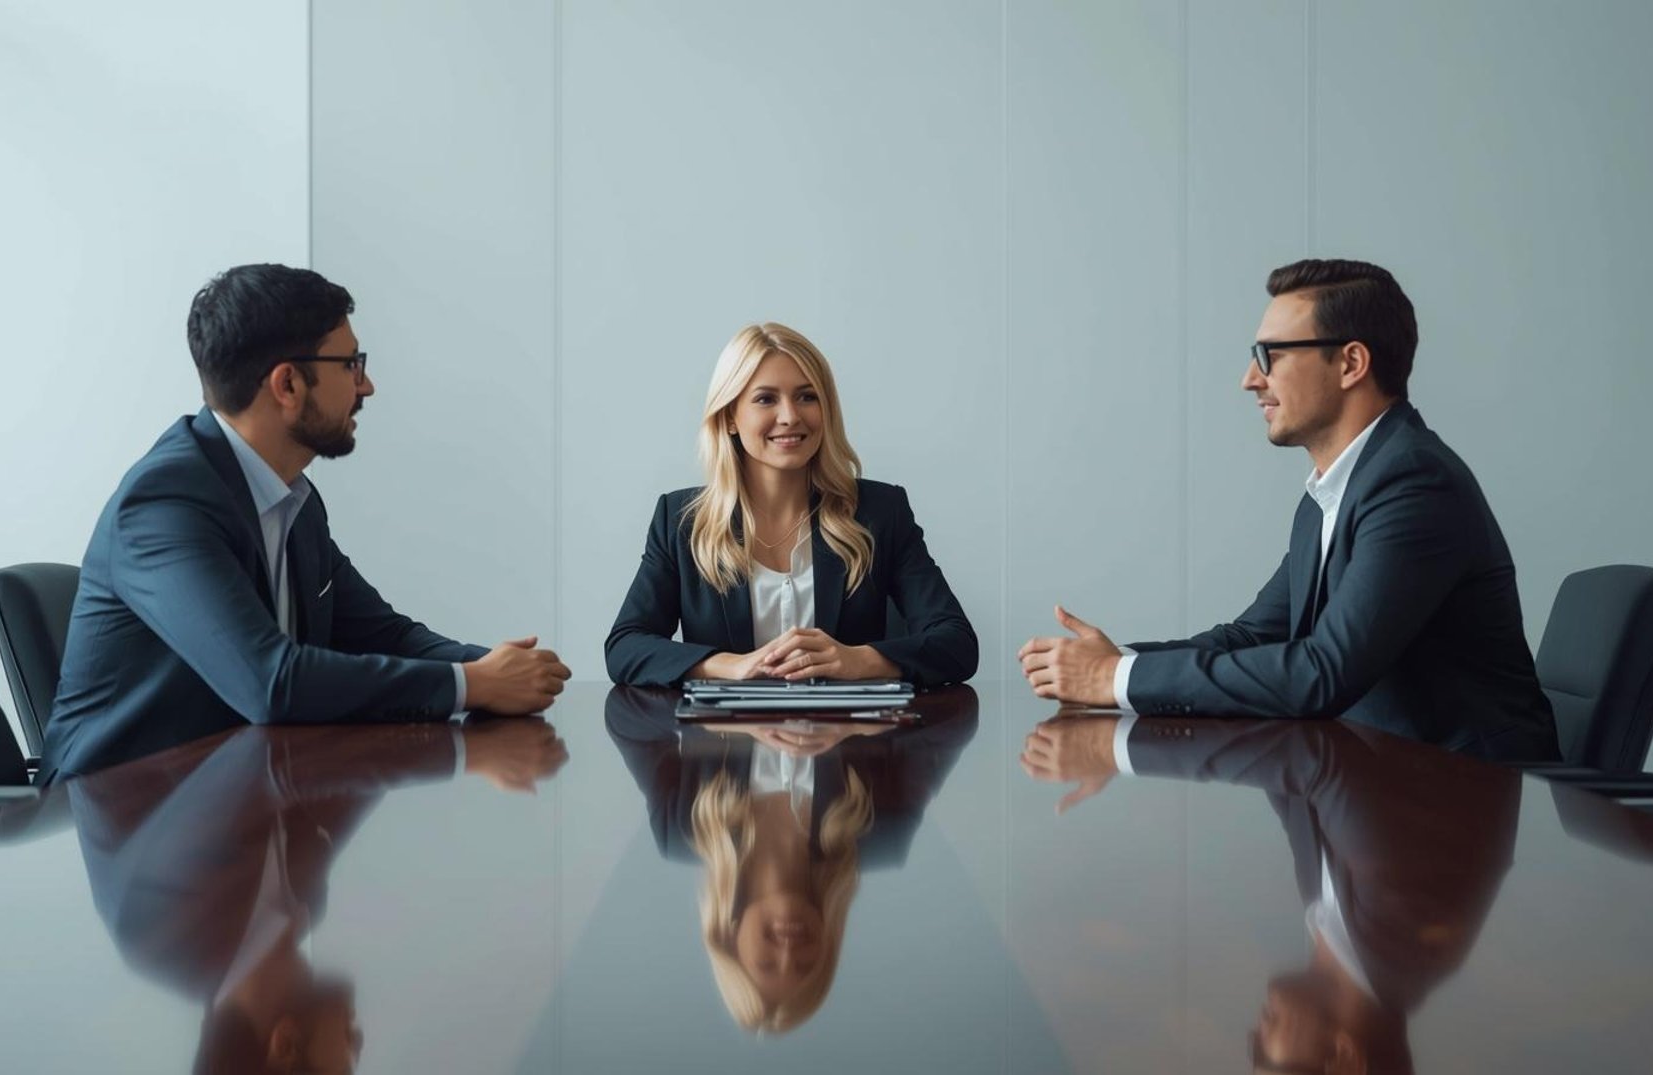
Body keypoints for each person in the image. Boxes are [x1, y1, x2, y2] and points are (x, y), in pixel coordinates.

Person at [42, 264, 569, 780]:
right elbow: (270, 681)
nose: (367, 388)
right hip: (119, 817)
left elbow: (380, 634)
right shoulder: (164, 505)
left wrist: (499, 669)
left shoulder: (294, 497)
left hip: (233, 797)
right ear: (288, 384)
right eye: (351, 365)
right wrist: (471, 684)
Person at [1018, 259, 1556, 762]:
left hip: (1460, 802)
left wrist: (1113, 680)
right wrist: (1120, 663)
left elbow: (1322, 671)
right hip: (1376, 785)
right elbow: (1254, 636)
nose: (1250, 379)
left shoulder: (1414, 483)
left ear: (1350, 363)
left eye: (1269, 356)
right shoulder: (1331, 492)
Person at [1020, 711, 1520, 1075]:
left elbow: (1290, 755)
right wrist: (1116, 749)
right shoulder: (1402, 930)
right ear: (1343, 1060)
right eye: (1265, 1057)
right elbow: (1311, 759)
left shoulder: (1340, 938)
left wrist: (1119, 726)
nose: (1251, 1038)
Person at [70, 718, 566, 1073]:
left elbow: (258, 751)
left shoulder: (168, 923)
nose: (359, 1038)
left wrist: (461, 732)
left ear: (285, 1045)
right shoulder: (298, 909)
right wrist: (464, 749)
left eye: (347, 1057)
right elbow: (357, 776)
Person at [605, 322, 978, 688]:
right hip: (724, 747)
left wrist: (856, 660)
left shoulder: (880, 512)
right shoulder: (681, 521)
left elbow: (957, 644)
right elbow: (625, 647)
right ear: (730, 417)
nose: (790, 416)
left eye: (807, 396)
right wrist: (730, 666)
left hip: (850, 744)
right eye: (766, 399)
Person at [606, 683, 978, 1033]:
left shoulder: (681, 831)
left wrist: (705, 713)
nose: (788, 953)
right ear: (827, 953)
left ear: (731, 939)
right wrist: (861, 728)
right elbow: (955, 720)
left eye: (766, 964)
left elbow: (627, 721)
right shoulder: (883, 835)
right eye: (805, 967)